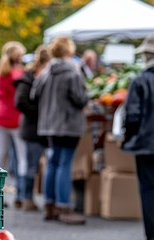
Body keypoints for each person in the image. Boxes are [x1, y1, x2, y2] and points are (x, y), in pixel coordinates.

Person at [35, 36, 88, 225]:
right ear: (68, 51)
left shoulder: (45, 72)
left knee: (53, 162)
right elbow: (81, 98)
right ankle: (64, 206)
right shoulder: (73, 72)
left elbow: (35, 95)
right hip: (68, 124)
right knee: (64, 163)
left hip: (49, 124)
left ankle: (50, 206)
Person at [122, 34, 154, 239]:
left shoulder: (141, 81)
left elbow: (132, 116)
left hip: (146, 145)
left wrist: (129, 137)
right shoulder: (142, 81)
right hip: (148, 142)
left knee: (149, 191)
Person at [13, 45, 51, 211]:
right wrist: (40, 112)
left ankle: (24, 197)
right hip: (32, 128)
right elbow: (20, 102)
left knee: (34, 165)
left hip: (42, 128)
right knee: (31, 166)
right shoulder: (29, 78)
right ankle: (26, 198)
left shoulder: (40, 76)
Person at [0, 41, 28, 208]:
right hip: (17, 119)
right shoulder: (18, 75)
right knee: (22, 156)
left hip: (0, 117)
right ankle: (21, 193)